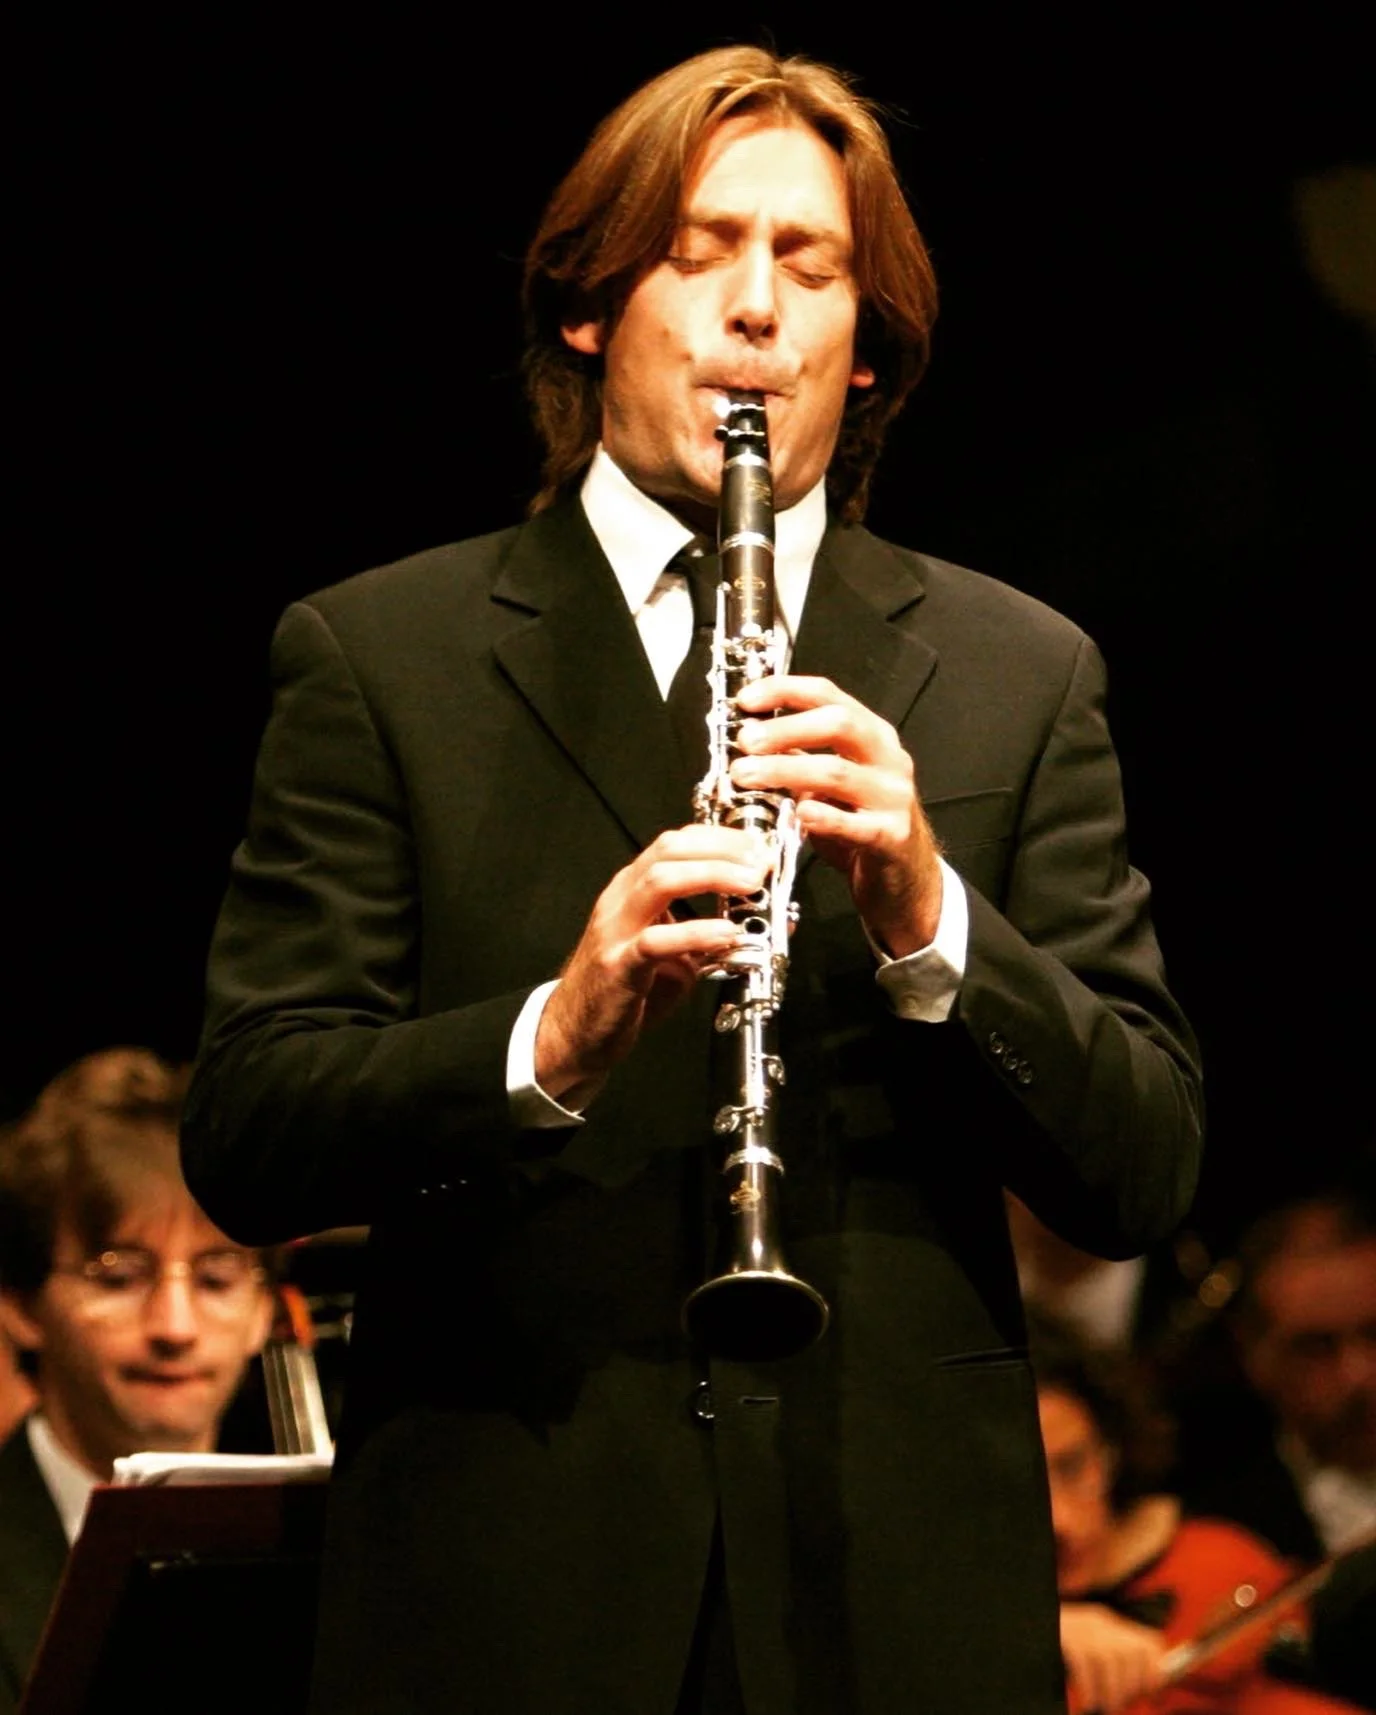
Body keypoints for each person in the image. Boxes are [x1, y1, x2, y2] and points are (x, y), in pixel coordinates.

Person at [182, 46, 1204, 1715]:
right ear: (588, 307)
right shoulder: (383, 655)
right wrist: (555, 1033)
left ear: (866, 351)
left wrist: (935, 923)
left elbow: (1144, 1166)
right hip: (509, 1581)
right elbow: (250, 1127)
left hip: (891, 1597)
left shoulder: (1022, 673)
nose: (758, 313)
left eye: (811, 270)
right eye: (701, 250)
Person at [0, 1048, 273, 1710]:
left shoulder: (331, 1552)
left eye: (216, 1275)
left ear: (264, 1311)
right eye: (120, 1275)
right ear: (21, 1305)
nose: (174, 1326)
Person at [1033, 1316, 1365, 1715]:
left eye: (1072, 1467)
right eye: (1021, 1490)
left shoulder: (1215, 1555)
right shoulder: (964, 1638)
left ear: (1111, 1449)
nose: (1060, 1521)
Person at [1185, 1188, 1376, 1565]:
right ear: (1253, 1354)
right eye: (1316, 1347)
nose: (1359, 1375)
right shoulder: (1220, 1522)